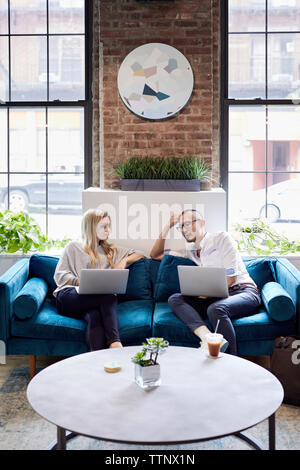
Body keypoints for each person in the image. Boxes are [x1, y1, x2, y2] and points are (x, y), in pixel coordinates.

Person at [150, 209, 261, 355]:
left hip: (243, 292)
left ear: (202, 223)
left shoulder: (221, 238)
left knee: (215, 309)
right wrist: (167, 227)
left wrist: (205, 294)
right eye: (181, 226)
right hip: (218, 297)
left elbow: (231, 278)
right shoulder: (190, 251)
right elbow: (155, 254)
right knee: (175, 298)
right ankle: (208, 338)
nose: (184, 230)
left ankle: (232, 362)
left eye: (188, 224)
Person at [53, 208, 144, 351]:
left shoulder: (110, 250)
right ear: (91, 227)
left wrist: (124, 261)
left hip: (92, 302)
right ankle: (115, 343)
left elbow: (140, 255)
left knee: (94, 317)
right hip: (69, 297)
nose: (108, 230)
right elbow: (60, 275)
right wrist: (80, 282)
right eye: (104, 226)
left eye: (109, 225)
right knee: (108, 296)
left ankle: (96, 361)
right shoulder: (73, 247)